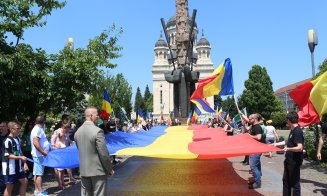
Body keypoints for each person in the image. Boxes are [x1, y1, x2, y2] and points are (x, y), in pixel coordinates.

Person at [74, 107, 114, 196]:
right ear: (91, 116)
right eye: (97, 115)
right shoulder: (98, 131)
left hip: (84, 170)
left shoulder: (77, 132)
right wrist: (109, 168)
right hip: (98, 171)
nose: (98, 117)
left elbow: (79, 149)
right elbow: (103, 153)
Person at [274, 111, 304, 196]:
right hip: (289, 160)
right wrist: (276, 144)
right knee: (286, 181)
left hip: (294, 162)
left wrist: (288, 149)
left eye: (287, 120)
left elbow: (300, 147)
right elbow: (288, 141)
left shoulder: (297, 131)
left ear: (289, 121)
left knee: (295, 183)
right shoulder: (293, 130)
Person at [2, 121, 28, 196]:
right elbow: (7, 155)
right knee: (9, 187)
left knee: (25, 181)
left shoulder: (18, 139)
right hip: (9, 168)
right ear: (11, 129)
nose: (19, 130)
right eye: (17, 128)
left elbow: (19, 152)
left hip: (18, 167)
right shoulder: (7, 141)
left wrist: (25, 163)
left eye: (20, 128)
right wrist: (20, 157)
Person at [30, 116, 50, 196]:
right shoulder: (37, 130)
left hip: (38, 155)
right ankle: (40, 192)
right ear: (43, 122)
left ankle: (37, 191)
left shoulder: (36, 129)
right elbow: (36, 143)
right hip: (39, 155)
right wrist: (43, 152)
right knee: (39, 174)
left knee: (37, 173)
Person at [244, 113, 265, 189]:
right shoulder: (253, 126)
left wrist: (249, 136)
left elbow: (259, 137)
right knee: (257, 166)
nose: (249, 120)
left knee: (253, 166)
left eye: (250, 119)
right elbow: (246, 129)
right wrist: (243, 124)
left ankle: (257, 182)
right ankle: (257, 179)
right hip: (255, 148)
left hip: (257, 149)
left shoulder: (257, 127)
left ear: (254, 119)